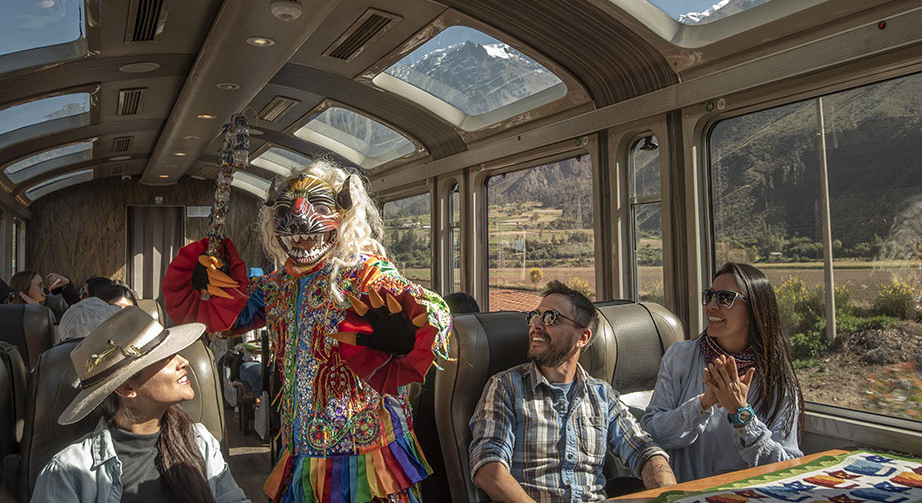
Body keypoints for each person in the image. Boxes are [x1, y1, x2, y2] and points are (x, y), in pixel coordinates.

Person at [162, 161, 452, 502]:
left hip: (365, 457)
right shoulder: (279, 285)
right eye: (285, 210)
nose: (298, 221)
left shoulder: (364, 273)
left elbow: (435, 311)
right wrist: (208, 284)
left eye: (320, 206)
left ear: (343, 215)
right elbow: (229, 316)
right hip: (301, 452)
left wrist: (409, 331)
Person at [469, 280, 675, 502]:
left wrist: (668, 495)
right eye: (533, 316)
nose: (536, 324)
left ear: (583, 337)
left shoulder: (601, 395)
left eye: (550, 317)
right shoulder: (506, 387)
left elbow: (644, 450)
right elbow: (488, 469)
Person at [31, 307, 249, 502]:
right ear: (127, 389)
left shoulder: (200, 442)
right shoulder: (69, 472)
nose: (183, 362)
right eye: (165, 358)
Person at [641, 263, 804, 482]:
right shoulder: (680, 357)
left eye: (725, 298)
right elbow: (651, 434)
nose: (711, 307)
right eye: (709, 296)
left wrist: (742, 416)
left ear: (755, 309)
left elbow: (787, 469)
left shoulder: (778, 381)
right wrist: (702, 404)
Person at [6, 269, 79, 319]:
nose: (44, 288)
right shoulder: (12, 316)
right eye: (39, 285)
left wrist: (67, 284)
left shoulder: (48, 312)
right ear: (25, 289)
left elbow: (76, 315)